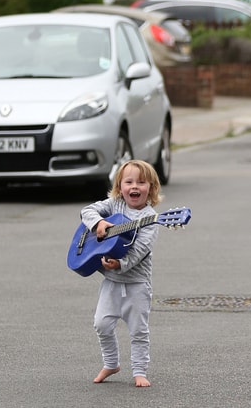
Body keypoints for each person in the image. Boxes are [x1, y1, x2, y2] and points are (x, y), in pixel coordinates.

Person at [80, 160, 162, 388]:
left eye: (141, 182)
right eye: (129, 182)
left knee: (138, 330)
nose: (134, 187)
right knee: (101, 324)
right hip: (111, 284)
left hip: (137, 284)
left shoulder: (151, 219)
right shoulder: (115, 205)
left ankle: (139, 371)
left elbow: (140, 251)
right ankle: (111, 363)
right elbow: (86, 210)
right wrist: (98, 222)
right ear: (119, 186)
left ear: (151, 188)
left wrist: (121, 263)